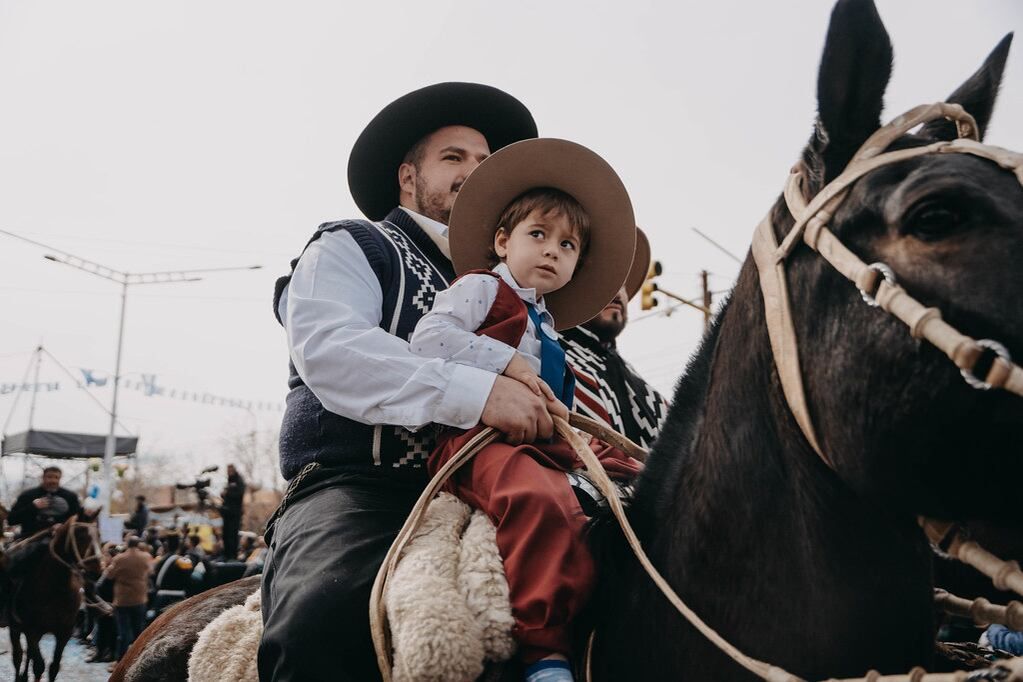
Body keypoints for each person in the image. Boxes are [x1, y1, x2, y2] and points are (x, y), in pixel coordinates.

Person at [259, 82, 540, 681]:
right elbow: (332, 349)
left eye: (485, 161)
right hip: (361, 487)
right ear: (408, 177)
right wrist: (481, 393)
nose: (476, 172)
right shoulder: (353, 244)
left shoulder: (505, 287)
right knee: (328, 618)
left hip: (499, 484)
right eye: (455, 158)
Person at [410, 138, 641, 682]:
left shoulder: (552, 329)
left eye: (568, 246)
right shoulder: (479, 289)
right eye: (538, 235)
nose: (552, 251)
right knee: (539, 500)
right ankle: (547, 649)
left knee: (644, 481)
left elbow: (563, 404)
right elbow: (429, 339)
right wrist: (507, 365)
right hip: (480, 440)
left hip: (549, 438)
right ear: (502, 241)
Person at [561, 229, 670, 449]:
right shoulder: (547, 352)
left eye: (621, 284)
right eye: (603, 282)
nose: (618, 292)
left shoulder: (638, 384)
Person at [0, 466, 83, 625]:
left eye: (56, 477)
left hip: (60, 543)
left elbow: (78, 520)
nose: (52, 480)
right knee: (6, 566)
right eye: (49, 477)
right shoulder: (28, 495)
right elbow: (12, 519)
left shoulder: (70, 497)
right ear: (43, 478)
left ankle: (91, 605)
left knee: (85, 567)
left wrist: (63, 526)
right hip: (30, 539)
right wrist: (33, 507)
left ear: (60, 479)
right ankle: (5, 607)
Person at [104, 535, 152, 667]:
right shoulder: (146, 557)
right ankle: (139, 660)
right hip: (140, 598)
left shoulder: (119, 558)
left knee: (123, 633)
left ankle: (120, 662)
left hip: (122, 600)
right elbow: (151, 571)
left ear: (127, 544)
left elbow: (109, 575)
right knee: (139, 631)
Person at [219, 464, 245, 560]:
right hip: (227, 513)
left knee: (232, 535)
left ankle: (232, 556)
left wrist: (228, 493)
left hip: (235, 513)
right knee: (225, 535)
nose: (228, 472)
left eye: (230, 470)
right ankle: (226, 555)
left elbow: (239, 494)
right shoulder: (229, 481)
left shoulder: (239, 480)